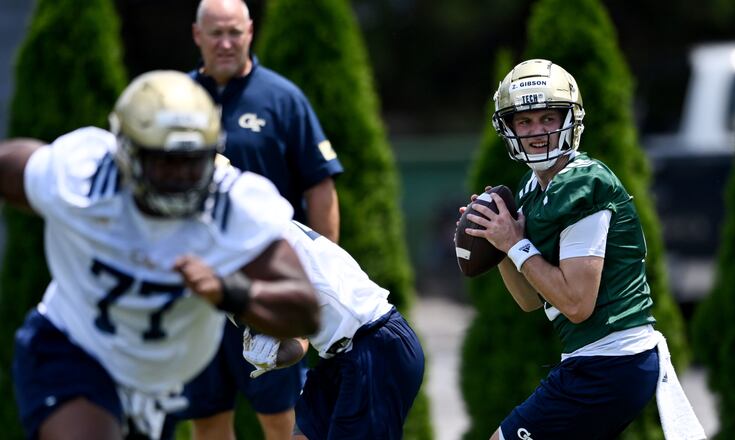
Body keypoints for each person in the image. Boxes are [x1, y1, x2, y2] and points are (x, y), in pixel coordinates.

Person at [1, 70, 320, 440]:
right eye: (166, 161)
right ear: (127, 151)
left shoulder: (234, 204)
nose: (181, 175)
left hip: (160, 386)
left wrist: (230, 291)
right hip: (74, 348)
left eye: (193, 160)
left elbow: (305, 310)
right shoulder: (83, 176)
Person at [461, 59, 705, 440]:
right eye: (524, 121)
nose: (536, 131)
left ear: (568, 121)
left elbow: (577, 304)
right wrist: (499, 245)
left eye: (547, 118)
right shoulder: (532, 188)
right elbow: (529, 300)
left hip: (611, 360)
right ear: (508, 129)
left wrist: (515, 243)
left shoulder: (583, 183)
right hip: (598, 361)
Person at [175, 0, 345, 439]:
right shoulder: (175, 101)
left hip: (266, 288)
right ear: (198, 36)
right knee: (207, 419)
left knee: (285, 421)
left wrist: (316, 290)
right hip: (197, 295)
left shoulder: (283, 98)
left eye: (235, 32)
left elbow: (320, 189)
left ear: (251, 31)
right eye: (216, 34)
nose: (226, 43)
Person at [242, 220, 424, 440]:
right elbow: (301, 334)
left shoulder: (238, 236)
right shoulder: (251, 223)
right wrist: (276, 355)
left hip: (374, 344)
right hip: (342, 352)